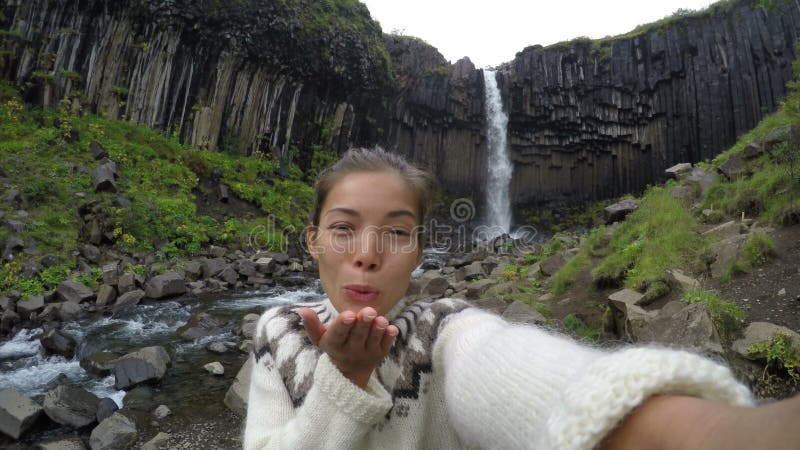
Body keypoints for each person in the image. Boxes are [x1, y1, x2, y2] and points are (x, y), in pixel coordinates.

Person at [244, 147, 800, 449]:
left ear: (419, 253)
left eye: (396, 231)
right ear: (313, 241)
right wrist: (345, 379)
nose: (367, 253)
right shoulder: (277, 332)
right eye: (343, 228)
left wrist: (715, 433)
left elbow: (514, 369)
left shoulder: (446, 331)